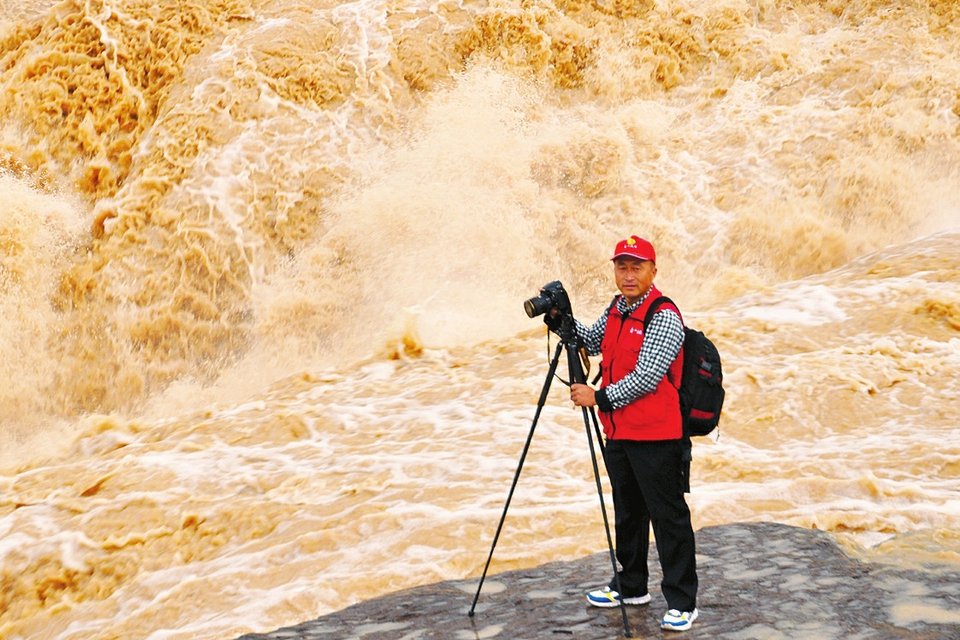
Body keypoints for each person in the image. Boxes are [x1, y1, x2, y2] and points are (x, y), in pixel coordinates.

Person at [569, 235, 699, 632]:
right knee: (628, 511)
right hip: (621, 433)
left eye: (636, 267)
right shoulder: (617, 308)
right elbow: (590, 341)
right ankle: (630, 585)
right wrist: (561, 316)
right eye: (621, 266)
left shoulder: (663, 315)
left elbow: (646, 378)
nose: (628, 275)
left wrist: (598, 397)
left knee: (668, 517)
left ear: (653, 271)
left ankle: (682, 601)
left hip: (657, 435)